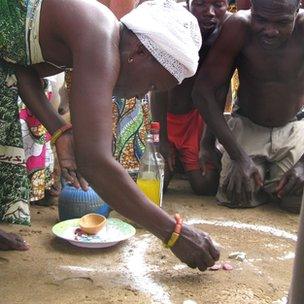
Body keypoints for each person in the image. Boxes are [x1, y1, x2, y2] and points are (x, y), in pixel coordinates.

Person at [0, 0, 220, 271]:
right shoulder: (98, 36)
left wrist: (60, 130)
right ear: (139, 51)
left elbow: (22, 69)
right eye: (151, 84)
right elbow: (95, 162)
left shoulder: (92, 36)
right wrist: (173, 233)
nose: (142, 95)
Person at [192, 0, 304, 213]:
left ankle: (276, 180)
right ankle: (264, 179)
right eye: (261, 20)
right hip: (247, 124)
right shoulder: (238, 27)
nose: (270, 31)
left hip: (293, 126)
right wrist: (237, 155)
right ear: (252, 8)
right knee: (237, 194)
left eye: (281, 22)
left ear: (297, 11)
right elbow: (203, 91)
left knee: (296, 201)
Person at [151, 0, 231, 195]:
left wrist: (208, 142)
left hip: (198, 118)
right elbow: (158, 88)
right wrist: (162, 138)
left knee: (205, 185)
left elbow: (220, 91)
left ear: (228, 4)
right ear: (188, 4)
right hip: (166, 117)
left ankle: (190, 158)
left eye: (218, 5)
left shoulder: (229, 31)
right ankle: (176, 159)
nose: (209, 12)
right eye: (201, 4)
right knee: (157, 185)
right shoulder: (174, 24)